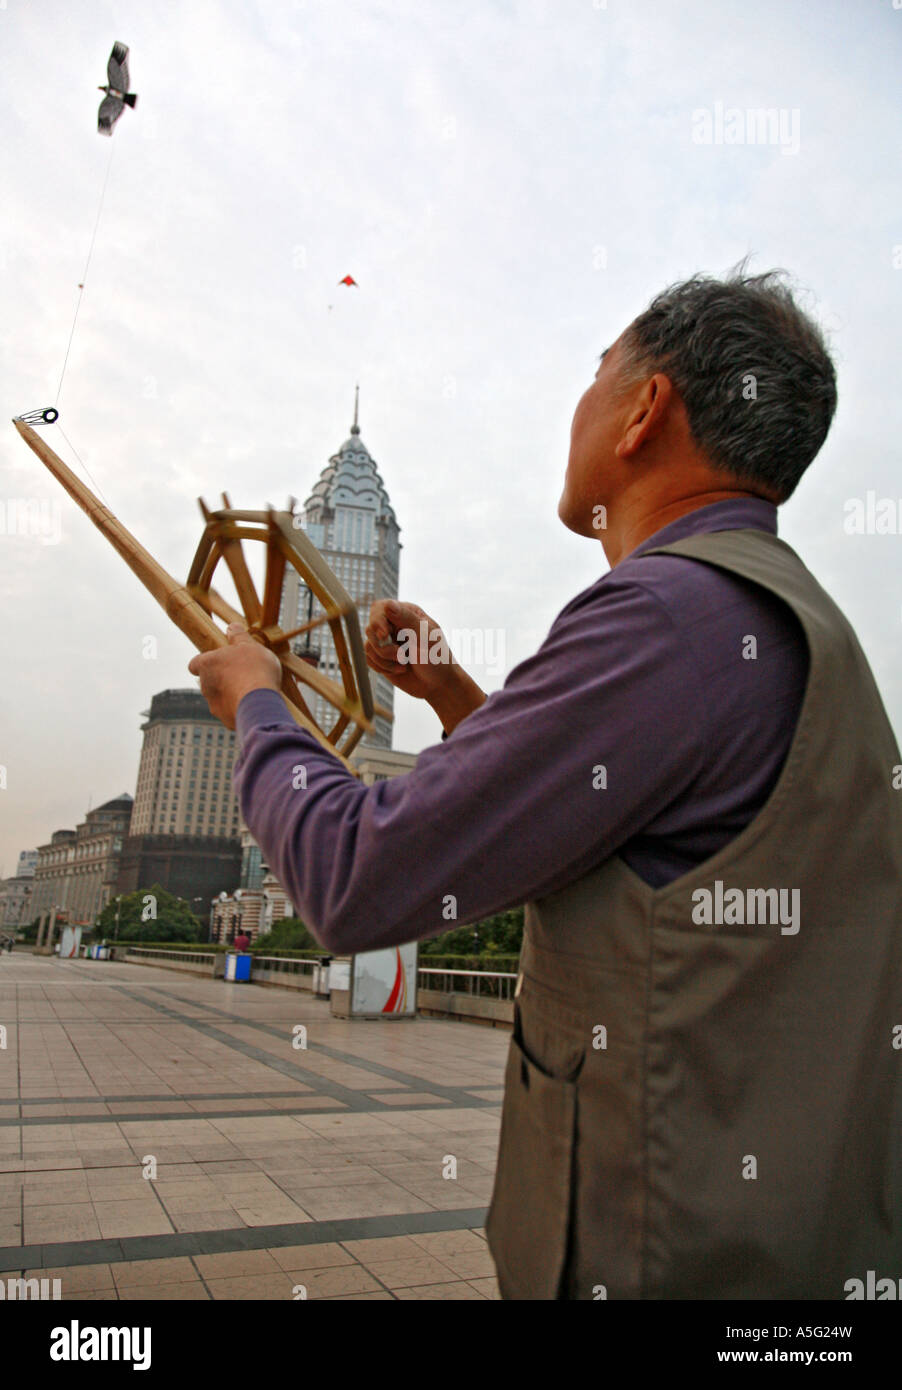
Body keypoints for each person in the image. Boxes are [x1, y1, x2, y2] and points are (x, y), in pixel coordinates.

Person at [189, 266, 902, 1299]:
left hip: (660, 1250)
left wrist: (260, 701)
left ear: (645, 409)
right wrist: (452, 691)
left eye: (596, 371)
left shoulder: (658, 618)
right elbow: (614, 841)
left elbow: (350, 875)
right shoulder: (789, 622)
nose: (579, 401)